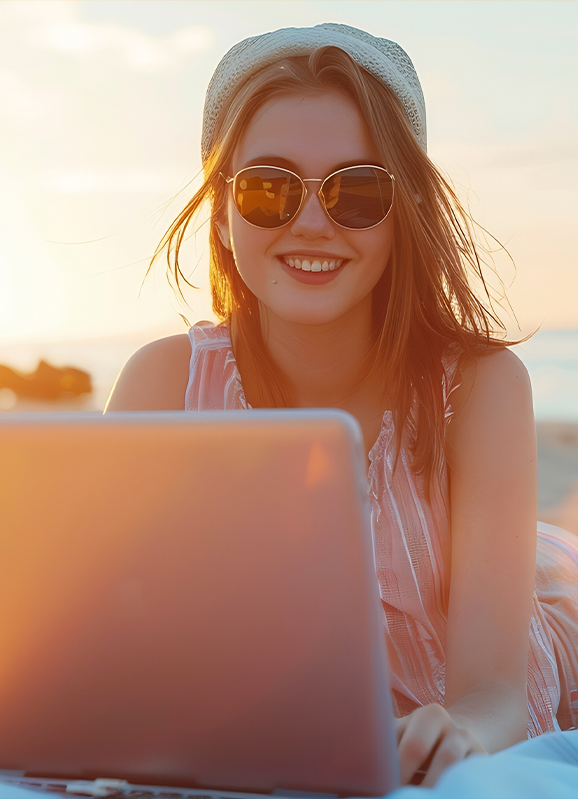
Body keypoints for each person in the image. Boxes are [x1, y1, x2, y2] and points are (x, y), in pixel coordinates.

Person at [105, 22, 578, 788]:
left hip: (535, 628)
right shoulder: (162, 386)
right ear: (224, 213)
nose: (312, 222)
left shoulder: (481, 388)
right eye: (269, 189)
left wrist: (458, 732)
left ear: (406, 211)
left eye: (356, 191)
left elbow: (493, 693)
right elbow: (110, 646)